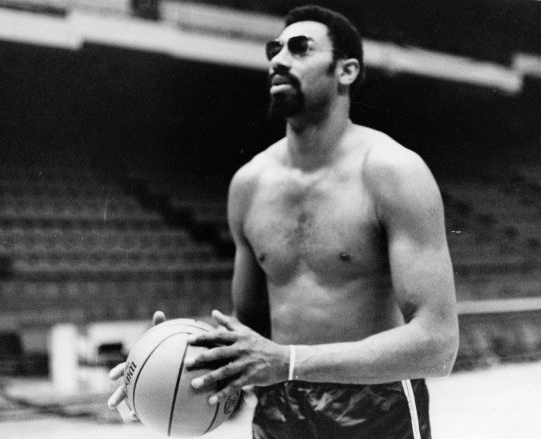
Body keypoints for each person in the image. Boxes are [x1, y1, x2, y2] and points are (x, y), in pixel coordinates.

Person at [109, 5, 459, 439]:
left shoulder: (394, 172)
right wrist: (177, 358)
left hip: (376, 410)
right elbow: (251, 330)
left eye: (299, 48)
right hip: (278, 411)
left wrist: (288, 361)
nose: (277, 59)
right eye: (274, 49)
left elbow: (438, 345)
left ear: (346, 70)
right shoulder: (250, 184)